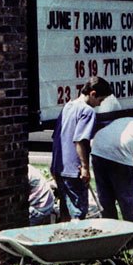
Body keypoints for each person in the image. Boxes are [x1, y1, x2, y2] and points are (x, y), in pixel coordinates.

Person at [51, 76, 112, 221]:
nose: (99, 104)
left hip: (59, 167)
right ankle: (77, 241)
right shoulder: (87, 111)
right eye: (100, 100)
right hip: (74, 170)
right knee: (78, 212)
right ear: (92, 94)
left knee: (65, 210)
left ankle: (64, 241)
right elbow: (80, 140)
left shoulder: (68, 106)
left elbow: (56, 137)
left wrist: (53, 164)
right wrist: (85, 167)